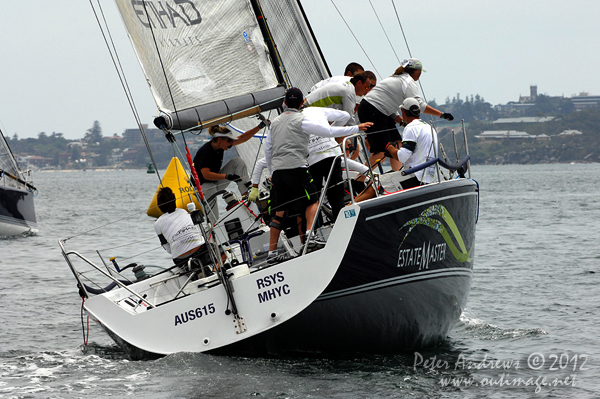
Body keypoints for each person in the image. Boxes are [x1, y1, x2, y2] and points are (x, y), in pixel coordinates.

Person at [264, 87, 373, 264]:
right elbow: (328, 132)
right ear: (301, 103)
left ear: (285, 103)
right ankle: (309, 237)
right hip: (296, 168)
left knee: (279, 213)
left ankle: (272, 254)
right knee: (312, 200)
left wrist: (271, 172)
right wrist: (356, 127)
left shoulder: (274, 123)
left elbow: (268, 150)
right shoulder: (302, 119)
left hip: (277, 172)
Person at [357, 58, 453, 171]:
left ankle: (398, 174)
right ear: (417, 71)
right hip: (371, 110)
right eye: (420, 72)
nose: (420, 75)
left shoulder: (399, 79)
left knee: (397, 143)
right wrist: (441, 114)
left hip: (380, 111)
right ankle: (359, 179)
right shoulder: (407, 81)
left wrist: (402, 122)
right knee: (382, 152)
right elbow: (420, 105)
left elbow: (391, 108)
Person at [354, 97, 439, 202]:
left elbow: (402, 157)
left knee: (376, 183)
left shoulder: (411, 128)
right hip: (428, 178)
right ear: (419, 112)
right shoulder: (429, 127)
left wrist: (389, 147)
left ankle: (347, 209)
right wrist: (393, 153)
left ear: (403, 111)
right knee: (387, 178)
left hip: (414, 177)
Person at [193, 122, 267, 223]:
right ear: (220, 139)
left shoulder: (222, 145)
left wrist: (260, 126)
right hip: (204, 186)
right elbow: (206, 175)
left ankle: (247, 197)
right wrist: (227, 176)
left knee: (237, 162)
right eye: (229, 141)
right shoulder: (206, 151)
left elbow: (242, 138)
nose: (231, 144)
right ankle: (213, 233)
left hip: (215, 182)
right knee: (214, 219)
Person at [153, 187, 215, 275]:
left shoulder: (157, 224)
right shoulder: (183, 212)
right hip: (200, 250)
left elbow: (166, 245)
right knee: (222, 252)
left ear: (159, 205)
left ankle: (198, 274)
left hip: (180, 259)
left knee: (194, 268)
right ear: (174, 200)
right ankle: (215, 272)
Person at [305, 72, 374, 126]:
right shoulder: (349, 92)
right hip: (310, 107)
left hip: (309, 104)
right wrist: (355, 136)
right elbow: (349, 119)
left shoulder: (348, 85)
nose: (367, 92)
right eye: (367, 87)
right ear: (359, 83)